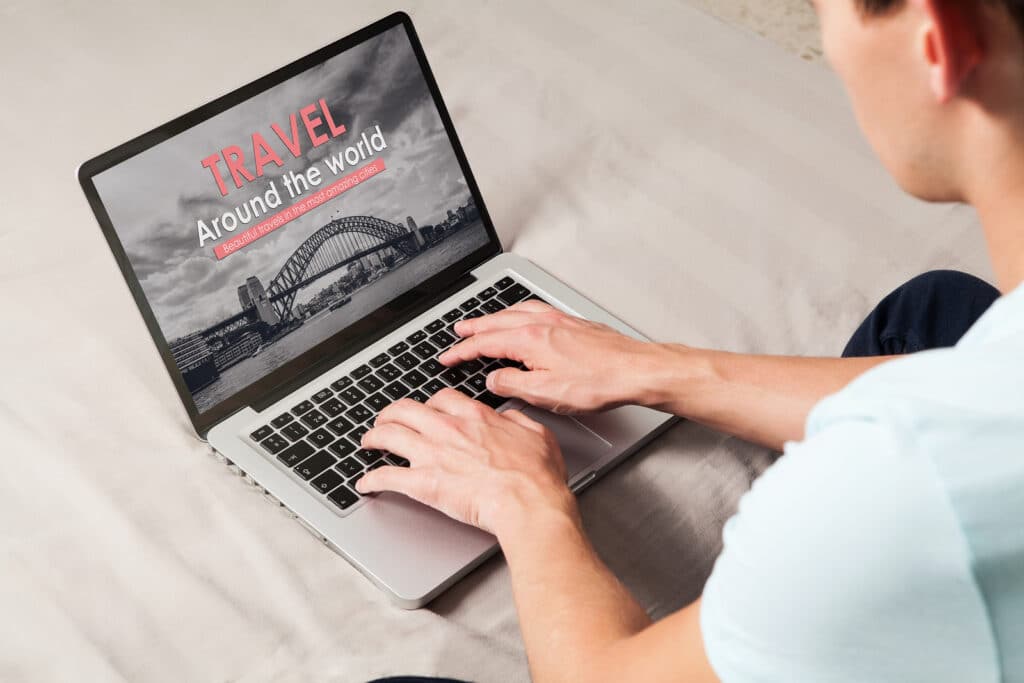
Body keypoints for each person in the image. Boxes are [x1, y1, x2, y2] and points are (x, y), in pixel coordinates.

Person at [360, 0, 1024, 680]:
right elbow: (980, 387)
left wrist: (528, 504)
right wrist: (665, 369)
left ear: (938, 38)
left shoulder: (878, 500)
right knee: (937, 312)